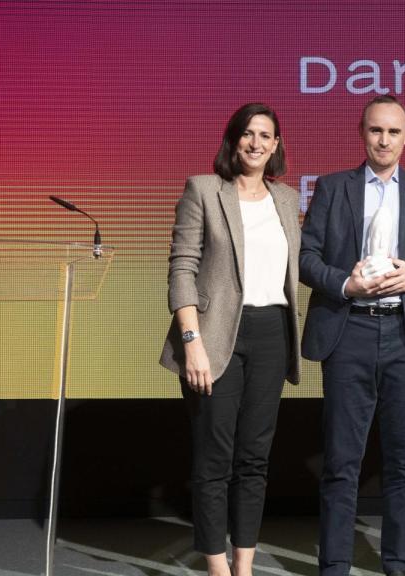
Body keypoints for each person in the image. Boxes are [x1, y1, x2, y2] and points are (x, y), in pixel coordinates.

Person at [299, 95, 405, 576]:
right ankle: (336, 566)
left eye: (393, 131)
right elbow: (306, 258)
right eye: (375, 130)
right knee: (342, 462)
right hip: (349, 333)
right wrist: (345, 283)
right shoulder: (332, 187)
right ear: (362, 133)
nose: (384, 140)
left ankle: (398, 565)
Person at [160, 103, 301, 576]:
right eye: (247, 134)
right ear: (233, 139)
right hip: (215, 334)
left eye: (265, 135)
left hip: (272, 333)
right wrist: (192, 340)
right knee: (214, 458)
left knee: (255, 459)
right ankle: (218, 569)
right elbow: (182, 268)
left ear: (276, 145)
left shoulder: (286, 199)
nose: (255, 143)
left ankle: (244, 566)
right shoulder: (204, 189)